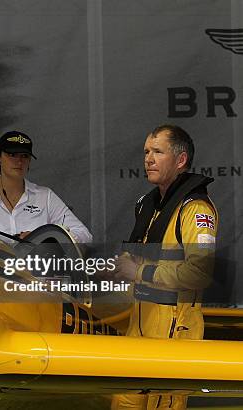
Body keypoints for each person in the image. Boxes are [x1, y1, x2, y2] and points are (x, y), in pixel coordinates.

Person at [111, 125, 218, 410]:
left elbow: (199, 272)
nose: (148, 158)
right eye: (146, 152)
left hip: (174, 334)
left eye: (157, 151)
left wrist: (140, 273)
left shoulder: (196, 210)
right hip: (138, 330)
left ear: (180, 160)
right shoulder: (147, 205)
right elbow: (134, 259)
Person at [0, 130, 92, 243]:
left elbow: (84, 235)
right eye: (12, 155)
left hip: (36, 273)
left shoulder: (45, 196)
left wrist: (44, 239)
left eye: (25, 156)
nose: (19, 161)